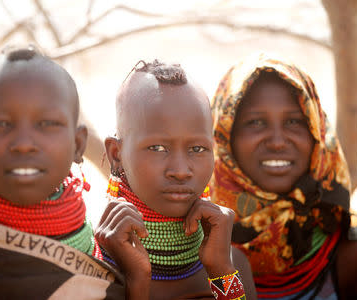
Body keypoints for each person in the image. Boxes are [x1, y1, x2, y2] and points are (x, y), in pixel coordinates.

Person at [0, 47, 146, 299]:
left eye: (47, 124)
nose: (24, 143)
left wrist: (137, 282)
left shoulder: (108, 251)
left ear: (78, 145)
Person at [210, 54, 357, 299]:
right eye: (255, 122)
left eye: (294, 121)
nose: (277, 142)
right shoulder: (191, 245)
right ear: (224, 138)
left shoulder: (355, 251)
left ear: (316, 134)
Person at [96, 60, 257, 300]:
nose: (181, 171)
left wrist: (220, 271)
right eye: (158, 148)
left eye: (198, 149)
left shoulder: (230, 265)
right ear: (116, 154)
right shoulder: (87, 266)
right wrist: (135, 282)